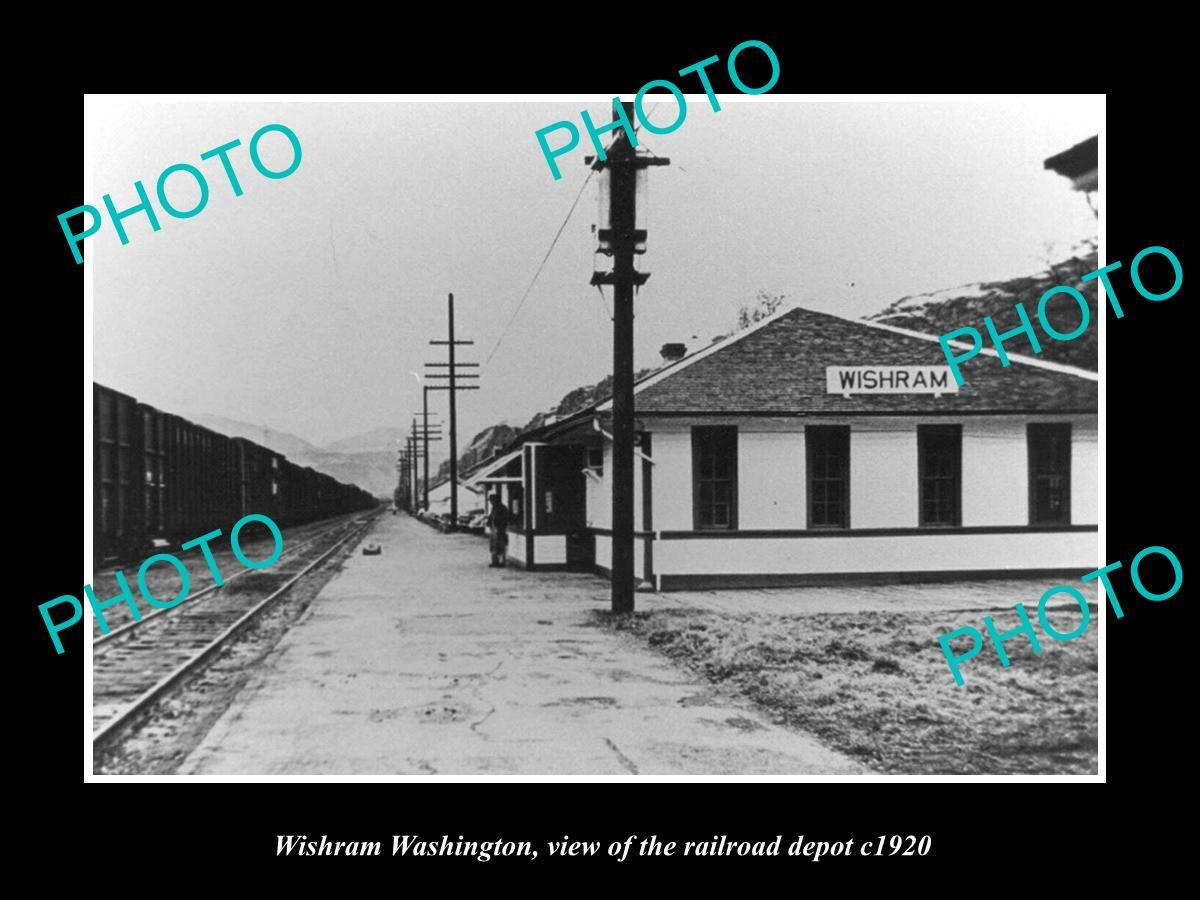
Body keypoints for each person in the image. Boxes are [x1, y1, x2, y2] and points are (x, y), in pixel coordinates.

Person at [486, 494, 510, 568]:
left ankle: (501, 562)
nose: (490, 502)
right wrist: (489, 522)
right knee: (493, 546)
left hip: (500, 530)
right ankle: (495, 561)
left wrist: (500, 526)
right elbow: (491, 517)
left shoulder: (502, 508)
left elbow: (505, 519)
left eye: (491, 500)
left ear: (495, 500)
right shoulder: (494, 508)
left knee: (500, 546)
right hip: (494, 529)